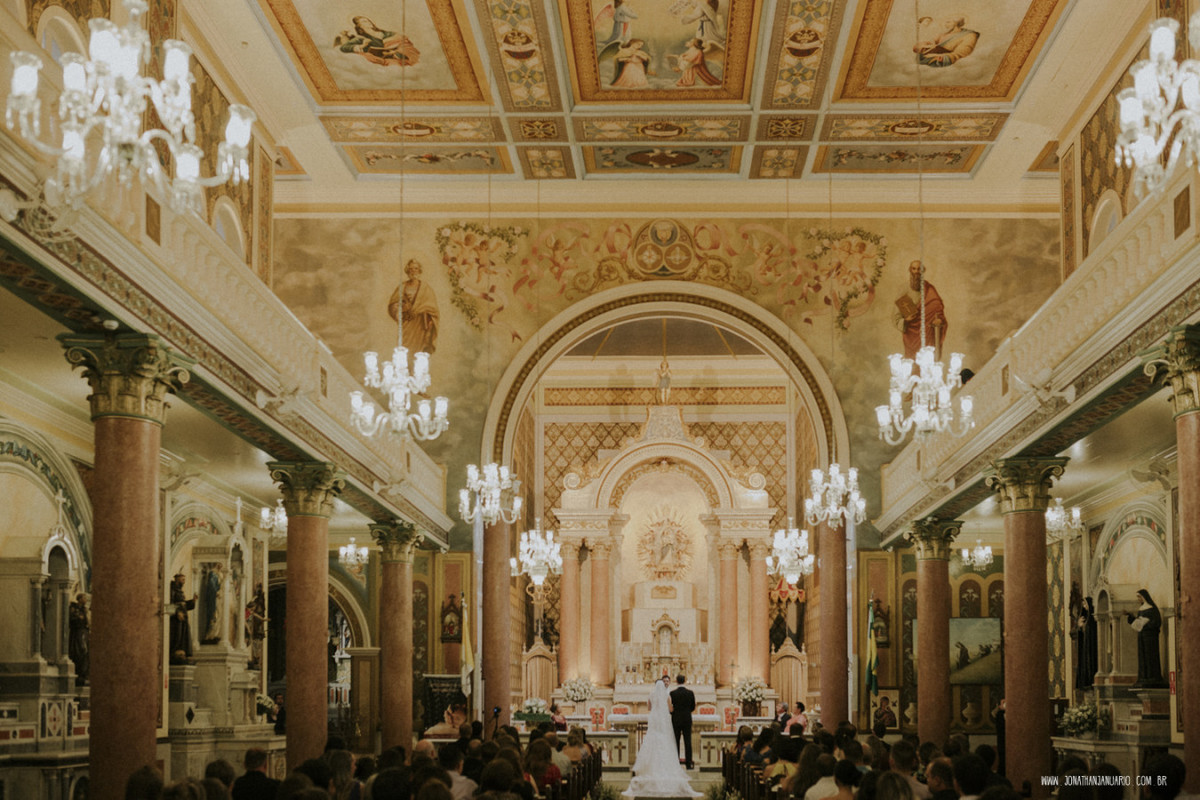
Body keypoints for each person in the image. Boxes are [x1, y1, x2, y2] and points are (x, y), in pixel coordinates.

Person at [622, 675, 700, 797]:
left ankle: (652, 766)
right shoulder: (673, 695)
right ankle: (687, 763)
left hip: (656, 720)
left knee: (660, 741)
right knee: (679, 741)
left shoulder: (657, 694)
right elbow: (675, 709)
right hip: (676, 720)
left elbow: (649, 708)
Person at [894, 260, 947, 360]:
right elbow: (896, 315)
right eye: (914, 269)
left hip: (928, 333)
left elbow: (938, 309)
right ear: (910, 270)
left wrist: (939, 319)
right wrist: (906, 320)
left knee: (927, 361)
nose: (916, 272)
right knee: (912, 362)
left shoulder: (930, 289)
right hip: (911, 335)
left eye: (919, 269)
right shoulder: (903, 289)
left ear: (923, 271)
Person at [388, 259, 440, 354]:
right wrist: (402, 309)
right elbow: (393, 304)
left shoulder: (425, 288)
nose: (413, 271)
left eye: (416, 268)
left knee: (418, 351)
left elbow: (432, 308)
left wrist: (419, 310)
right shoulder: (403, 286)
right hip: (407, 323)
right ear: (407, 271)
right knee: (404, 348)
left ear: (419, 270)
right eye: (411, 269)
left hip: (420, 324)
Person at [336, 16, 420, 66]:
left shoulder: (386, 33)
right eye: (364, 21)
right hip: (383, 61)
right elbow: (343, 47)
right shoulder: (361, 39)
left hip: (400, 56)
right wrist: (362, 46)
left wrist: (395, 52)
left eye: (368, 20)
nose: (369, 22)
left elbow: (405, 42)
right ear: (359, 26)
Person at [1126, 588, 1167, 687]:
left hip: (1150, 637)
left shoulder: (1152, 609)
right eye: (1138, 597)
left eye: (1139, 597)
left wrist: (1146, 624)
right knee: (1143, 657)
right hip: (1142, 636)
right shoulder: (1141, 609)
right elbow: (1138, 622)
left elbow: (1157, 622)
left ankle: (1153, 677)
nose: (1138, 599)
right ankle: (1143, 677)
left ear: (1144, 597)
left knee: (1150, 656)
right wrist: (1131, 617)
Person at [913, 16, 979, 68]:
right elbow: (931, 42)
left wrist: (938, 56)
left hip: (946, 61)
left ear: (956, 23)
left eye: (948, 22)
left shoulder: (970, 35)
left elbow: (961, 54)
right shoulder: (944, 33)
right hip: (932, 55)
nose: (944, 24)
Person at [669, 673, 697, 770]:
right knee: (687, 741)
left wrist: (674, 713)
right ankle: (688, 763)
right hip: (687, 719)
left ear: (676, 681)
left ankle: (675, 763)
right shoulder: (690, 693)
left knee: (675, 741)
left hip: (676, 719)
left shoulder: (672, 693)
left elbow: (670, 708)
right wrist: (687, 712)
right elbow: (693, 707)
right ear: (684, 681)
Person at [169, 572, 197, 664]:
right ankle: (175, 653)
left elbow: (183, 604)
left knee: (184, 636)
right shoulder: (171, 590)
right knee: (177, 635)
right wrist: (177, 612)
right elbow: (168, 604)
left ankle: (183, 653)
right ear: (177, 579)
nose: (184, 582)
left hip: (183, 617)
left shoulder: (180, 591)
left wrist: (193, 601)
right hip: (176, 619)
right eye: (183, 579)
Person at [1072, 597, 1098, 689]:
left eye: (1085, 604)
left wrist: (1084, 627)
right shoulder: (1083, 618)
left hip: (1092, 647)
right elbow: (1077, 634)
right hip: (1085, 647)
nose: (1084, 606)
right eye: (1083, 604)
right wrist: (1079, 627)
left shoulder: (1093, 620)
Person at [68, 592, 89, 685]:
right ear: (80, 599)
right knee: (80, 651)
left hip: (84, 632)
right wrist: (79, 618)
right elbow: (73, 619)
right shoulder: (74, 608)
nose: (86, 600)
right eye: (84, 598)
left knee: (85, 653)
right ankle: (79, 676)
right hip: (78, 632)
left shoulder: (84, 609)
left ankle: (83, 675)